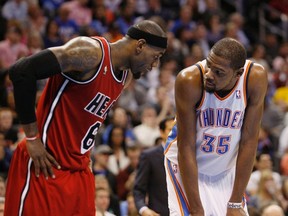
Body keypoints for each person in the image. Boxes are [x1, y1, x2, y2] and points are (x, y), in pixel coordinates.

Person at [4, 19, 167, 216]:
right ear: (140, 45)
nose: (155, 65)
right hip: (45, 163)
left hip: (79, 170)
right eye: (155, 57)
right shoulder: (89, 53)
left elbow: (85, 118)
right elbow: (21, 71)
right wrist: (32, 138)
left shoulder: (126, 76)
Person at [164, 37, 268, 215]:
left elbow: (249, 141)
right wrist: (196, 209)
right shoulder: (189, 80)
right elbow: (186, 146)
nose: (209, 75)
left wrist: (235, 203)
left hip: (226, 170)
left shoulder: (254, 78)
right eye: (209, 65)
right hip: (185, 167)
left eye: (219, 72)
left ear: (238, 73)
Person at [133, 116, 174, 216]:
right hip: (159, 212)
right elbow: (138, 189)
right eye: (170, 130)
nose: (175, 133)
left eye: (177, 129)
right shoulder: (148, 156)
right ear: (161, 132)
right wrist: (143, 209)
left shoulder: (189, 155)